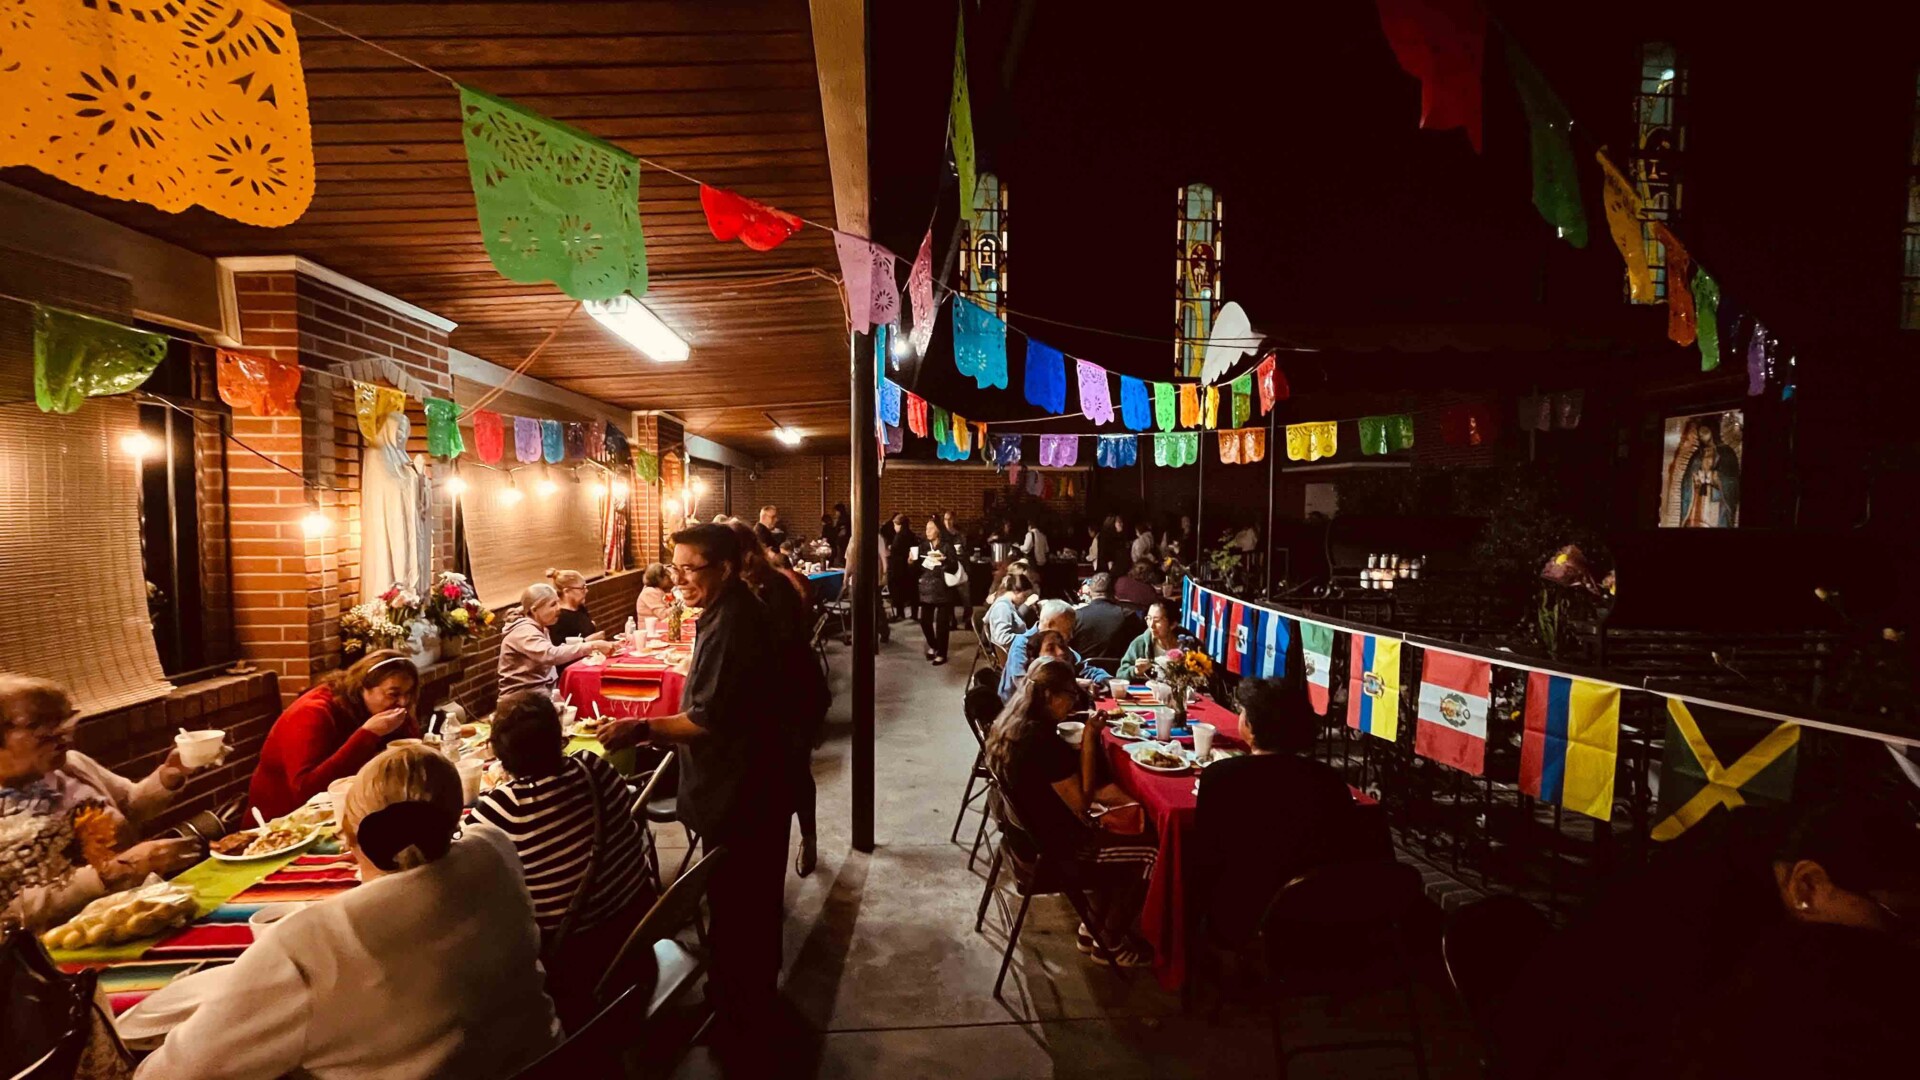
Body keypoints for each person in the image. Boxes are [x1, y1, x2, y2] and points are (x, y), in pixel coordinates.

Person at [137, 746, 561, 1079]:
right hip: (552, 1061)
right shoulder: (494, 847)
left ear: (350, 837)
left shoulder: (309, 942)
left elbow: (172, 1073)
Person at [1496, 801, 1920, 1080]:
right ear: (1806, 884)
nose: (1906, 940)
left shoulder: (1746, 880)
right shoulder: (1697, 927)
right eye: (1899, 918)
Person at [598, 525, 791, 1060]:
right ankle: (737, 1001)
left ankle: (742, 1020)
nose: (679, 579)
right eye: (675, 567)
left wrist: (640, 728)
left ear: (725, 567)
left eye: (691, 568)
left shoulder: (734, 623)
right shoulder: (722, 611)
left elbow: (706, 720)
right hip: (740, 787)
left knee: (741, 909)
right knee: (740, 908)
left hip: (743, 792)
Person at [469, 692, 654, 1032]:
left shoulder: (500, 811)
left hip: (574, 967)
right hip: (638, 936)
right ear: (560, 737)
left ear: (498, 752)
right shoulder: (594, 767)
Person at [1, 676, 215, 931]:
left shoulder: (71, 765)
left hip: (139, 913)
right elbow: (16, 909)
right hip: (68, 938)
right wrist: (116, 871)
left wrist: (168, 777)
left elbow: (129, 805)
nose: (63, 740)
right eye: (43, 733)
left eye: (63, 726)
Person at [983, 659, 1155, 967]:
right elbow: (1082, 803)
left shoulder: (1011, 722)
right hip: (1052, 854)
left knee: (1120, 824)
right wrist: (1089, 739)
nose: (1074, 702)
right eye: (1070, 695)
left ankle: (1092, 929)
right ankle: (1110, 943)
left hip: (1020, 838)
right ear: (1049, 695)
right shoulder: (1041, 741)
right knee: (1151, 851)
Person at [1190, 675, 1356, 947]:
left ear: (1250, 726)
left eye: (1243, 712)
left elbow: (1205, 856)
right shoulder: (1328, 779)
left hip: (1242, 911)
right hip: (1318, 909)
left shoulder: (1222, 777)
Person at [726, 520, 827, 878]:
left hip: (794, 694)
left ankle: (808, 837)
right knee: (772, 776)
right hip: (773, 697)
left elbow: (781, 649)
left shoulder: (774, 586)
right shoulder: (738, 588)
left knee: (796, 771)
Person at [249, 650, 421, 819]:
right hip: (282, 821)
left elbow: (409, 752)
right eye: (393, 694)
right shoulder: (312, 712)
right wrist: (368, 734)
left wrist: (406, 723)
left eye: (408, 693)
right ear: (363, 686)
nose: (403, 701)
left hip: (348, 810)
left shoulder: (376, 707)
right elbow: (305, 790)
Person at [498, 583, 614, 697]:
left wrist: (587, 644)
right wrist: (592, 646)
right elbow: (551, 655)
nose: (559, 608)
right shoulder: (524, 631)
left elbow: (554, 650)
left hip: (540, 694)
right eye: (553, 604)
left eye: (558, 602)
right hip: (521, 700)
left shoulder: (539, 627)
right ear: (534, 610)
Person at [1001, 601, 1113, 700]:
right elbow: (1024, 683)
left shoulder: (1061, 646)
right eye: (1068, 629)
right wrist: (1075, 683)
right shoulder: (1022, 644)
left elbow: (1083, 668)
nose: (1071, 635)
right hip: (1020, 707)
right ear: (1050, 624)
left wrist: (1107, 679)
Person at [911, 517, 963, 665]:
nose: (927, 531)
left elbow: (954, 566)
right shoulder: (923, 546)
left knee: (942, 625)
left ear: (938, 531)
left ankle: (941, 653)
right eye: (926, 529)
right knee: (925, 622)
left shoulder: (946, 546)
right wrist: (911, 562)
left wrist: (944, 560)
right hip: (926, 587)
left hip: (943, 588)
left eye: (930, 529)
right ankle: (934, 645)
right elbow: (917, 569)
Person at [1072, 573, 1146, 661]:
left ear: (1090, 592)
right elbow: (1140, 646)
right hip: (1118, 668)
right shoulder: (1128, 615)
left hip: (1082, 668)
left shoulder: (1076, 616)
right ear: (1114, 591)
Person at [1119, 599, 1201, 673]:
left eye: (1157, 620)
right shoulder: (1140, 644)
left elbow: (1205, 670)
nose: (1151, 625)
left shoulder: (1190, 643)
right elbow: (1121, 673)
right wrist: (1135, 671)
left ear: (1173, 624)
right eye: (1149, 618)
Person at [543, 568, 602, 647]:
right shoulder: (557, 617)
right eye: (582, 588)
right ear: (566, 591)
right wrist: (586, 641)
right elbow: (558, 649)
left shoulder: (580, 607)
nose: (586, 591)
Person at [983, 571, 1038, 651]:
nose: (1025, 600)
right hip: (1013, 652)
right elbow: (1002, 639)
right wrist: (1027, 637)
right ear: (1016, 591)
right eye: (1025, 596)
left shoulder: (1009, 606)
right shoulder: (1002, 608)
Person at [886, 512, 917, 621]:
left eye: (895, 525)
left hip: (898, 569)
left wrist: (891, 549)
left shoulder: (898, 537)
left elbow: (895, 553)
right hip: (910, 568)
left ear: (899, 525)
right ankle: (914, 614)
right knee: (912, 592)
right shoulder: (912, 535)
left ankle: (900, 614)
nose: (894, 527)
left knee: (897, 592)